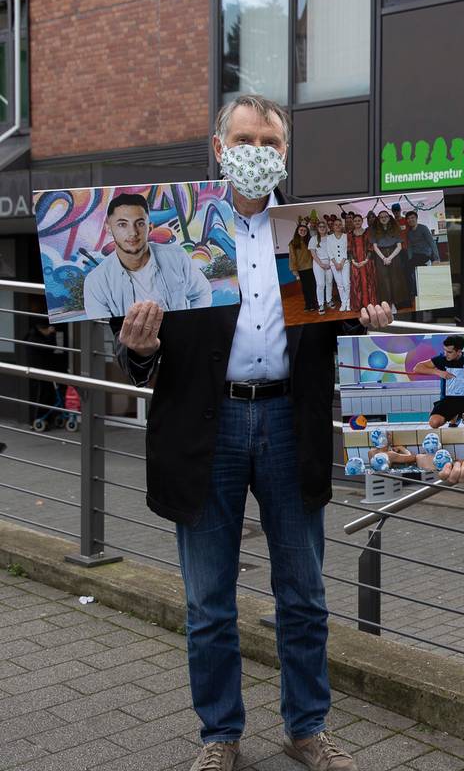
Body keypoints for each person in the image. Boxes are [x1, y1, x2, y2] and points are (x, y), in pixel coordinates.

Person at [110, 94, 394, 771]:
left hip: (291, 420)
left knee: (304, 595)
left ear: (285, 153)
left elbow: (344, 314)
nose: (257, 151)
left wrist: (373, 314)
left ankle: (307, 729)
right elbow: (132, 346)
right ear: (217, 146)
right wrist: (141, 347)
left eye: (270, 141)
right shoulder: (174, 235)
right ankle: (220, 736)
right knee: (209, 601)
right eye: (245, 138)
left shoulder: (317, 231)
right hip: (206, 427)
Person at [83, 193, 213, 319]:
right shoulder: (96, 282)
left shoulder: (177, 257)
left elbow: (202, 294)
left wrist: (190, 326)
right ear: (109, 228)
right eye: (122, 224)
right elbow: (103, 328)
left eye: (139, 223)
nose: (133, 232)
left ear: (150, 228)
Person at [371, 210, 412, 308]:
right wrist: (384, 258)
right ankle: (388, 304)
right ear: (379, 219)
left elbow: (399, 246)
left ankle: (398, 302)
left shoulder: (395, 228)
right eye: (381, 217)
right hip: (381, 256)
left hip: (394, 255)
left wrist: (389, 258)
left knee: (396, 279)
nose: (384, 218)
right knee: (384, 281)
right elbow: (375, 247)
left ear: (389, 218)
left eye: (386, 216)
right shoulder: (375, 230)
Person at [347, 214, 378, 312]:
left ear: (362, 221)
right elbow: (349, 249)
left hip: (366, 262)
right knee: (357, 283)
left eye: (359, 220)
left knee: (368, 282)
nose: (357, 222)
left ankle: (369, 303)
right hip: (355, 262)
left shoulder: (367, 232)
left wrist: (366, 260)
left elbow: (370, 247)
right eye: (355, 220)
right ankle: (360, 304)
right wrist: (353, 261)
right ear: (353, 222)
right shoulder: (350, 234)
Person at [405, 210, 439, 299]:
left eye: (412, 218)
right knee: (409, 268)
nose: (410, 220)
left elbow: (431, 242)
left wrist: (436, 258)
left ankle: (417, 292)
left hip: (425, 253)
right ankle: (416, 291)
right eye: (408, 218)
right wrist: (409, 258)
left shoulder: (423, 228)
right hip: (416, 255)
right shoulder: (409, 232)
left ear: (416, 218)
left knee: (412, 268)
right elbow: (410, 247)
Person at [287, 221, 318, 312]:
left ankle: (314, 304)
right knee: (305, 288)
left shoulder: (310, 241)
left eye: (305, 230)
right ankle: (308, 305)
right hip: (301, 269)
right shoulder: (293, 243)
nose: (303, 231)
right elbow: (292, 257)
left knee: (312, 286)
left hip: (312, 267)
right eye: (301, 230)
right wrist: (295, 271)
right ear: (297, 231)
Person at [307, 219, 333, 316]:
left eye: (324, 226)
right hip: (318, 263)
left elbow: (333, 251)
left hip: (330, 263)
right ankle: (321, 304)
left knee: (329, 282)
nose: (322, 228)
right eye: (320, 227)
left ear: (326, 228)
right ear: (317, 228)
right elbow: (313, 254)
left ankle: (329, 300)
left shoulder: (330, 238)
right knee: (321, 284)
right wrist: (321, 264)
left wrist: (330, 263)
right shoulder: (313, 239)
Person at [326, 215, 351, 312]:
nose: (338, 226)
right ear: (333, 226)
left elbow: (347, 250)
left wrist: (342, 262)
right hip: (334, 264)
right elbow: (329, 251)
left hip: (345, 263)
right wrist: (336, 263)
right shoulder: (329, 238)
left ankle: (348, 303)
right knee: (339, 284)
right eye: (336, 225)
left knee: (347, 283)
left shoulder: (346, 236)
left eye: (339, 225)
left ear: (342, 226)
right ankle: (343, 303)